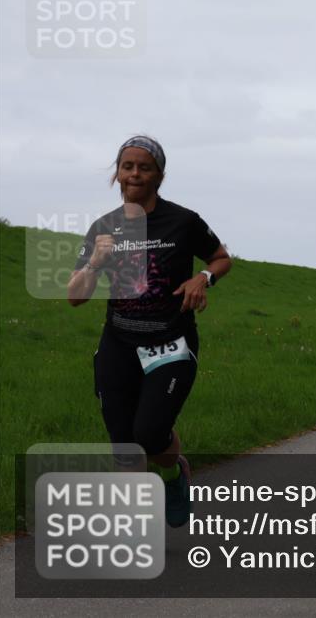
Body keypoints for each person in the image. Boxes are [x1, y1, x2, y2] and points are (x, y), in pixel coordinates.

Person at [68, 135, 232, 528]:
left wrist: (203, 279)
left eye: (144, 166)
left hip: (170, 344)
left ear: (159, 174)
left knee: (151, 433)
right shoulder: (103, 228)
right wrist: (94, 263)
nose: (135, 174)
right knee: (125, 444)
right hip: (119, 342)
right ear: (118, 173)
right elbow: (74, 297)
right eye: (128, 166)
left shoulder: (183, 221)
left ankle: (175, 474)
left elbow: (221, 258)